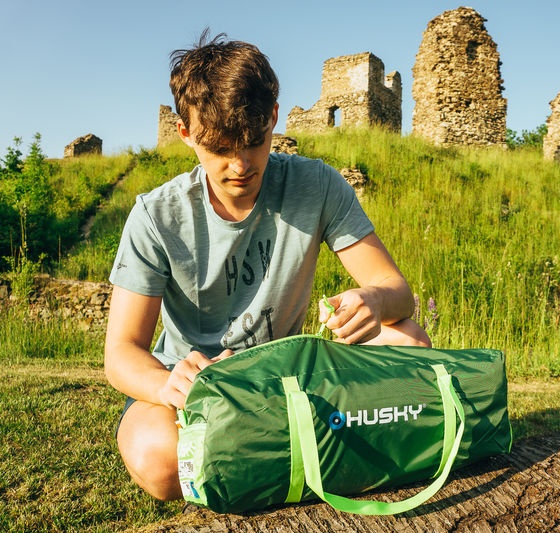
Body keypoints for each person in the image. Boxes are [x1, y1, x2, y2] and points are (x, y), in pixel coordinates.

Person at [105, 31, 431, 501]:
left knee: (409, 341)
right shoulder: (157, 216)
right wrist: (169, 384)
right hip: (194, 392)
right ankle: (313, 448)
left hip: (289, 376)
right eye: (219, 147)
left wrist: (374, 300)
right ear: (185, 133)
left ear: (273, 117)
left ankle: (267, 452)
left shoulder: (317, 185)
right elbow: (121, 352)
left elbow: (398, 293)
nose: (240, 164)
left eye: (254, 142)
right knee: (158, 461)